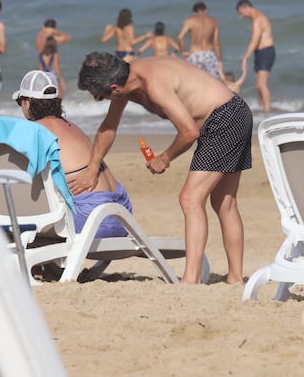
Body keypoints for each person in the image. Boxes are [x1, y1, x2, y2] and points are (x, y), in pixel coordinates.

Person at [70, 52, 252, 284]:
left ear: (115, 88)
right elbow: (109, 126)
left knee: (190, 199)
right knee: (224, 202)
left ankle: (191, 279)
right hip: (232, 112)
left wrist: (164, 158)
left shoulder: (153, 83)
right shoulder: (126, 76)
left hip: (224, 117)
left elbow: (189, 132)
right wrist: (92, 168)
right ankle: (235, 279)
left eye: (99, 95)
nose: (99, 98)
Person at [13, 70, 133, 237]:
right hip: (122, 214)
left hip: (92, 219)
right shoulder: (72, 127)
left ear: (28, 102)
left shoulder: (34, 131)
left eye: (20, 102)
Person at [238, 0, 276, 114]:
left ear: (247, 8)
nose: (242, 16)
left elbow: (255, 41)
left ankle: (267, 112)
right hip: (259, 53)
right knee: (257, 84)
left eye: (241, 13)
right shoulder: (256, 19)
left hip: (266, 52)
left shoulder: (258, 20)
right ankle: (262, 109)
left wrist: (245, 58)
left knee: (262, 84)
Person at [176, 1, 223, 78]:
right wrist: (219, 60)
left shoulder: (189, 21)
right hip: (209, 55)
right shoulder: (214, 21)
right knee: (213, 81)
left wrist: (183, 51)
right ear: (206, 10)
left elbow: (180, 37)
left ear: (194, 12)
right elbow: (217, 43)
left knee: (194, 81)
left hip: (195, 54)